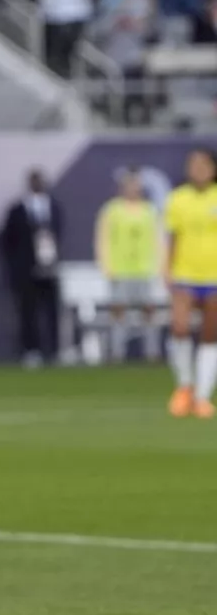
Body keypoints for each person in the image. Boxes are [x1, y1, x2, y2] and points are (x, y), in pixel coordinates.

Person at [164, 149, 217, 418]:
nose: (198, 169)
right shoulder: (178, 199)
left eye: (203, 164)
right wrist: (167, 269)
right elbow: (172, 238)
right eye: (193, 164)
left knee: (210, 335)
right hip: (185, 273)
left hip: (214, 275)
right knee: (180, 327)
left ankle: (202, 395)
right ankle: (184, 386)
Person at [95, 169, 161, 363]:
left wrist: (158, 266)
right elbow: (103, 239)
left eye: (136, 185)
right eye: (129, 185)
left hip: (144, 268)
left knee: (149, 311)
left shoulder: (150, 210)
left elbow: (158, 239)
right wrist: (106, 266)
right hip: (120, 269)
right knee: (118, 310)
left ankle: (152, 352)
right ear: (122, 188)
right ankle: (117, 353)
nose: (133, 189)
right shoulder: (111, 210)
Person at [1, 170, 63, 367]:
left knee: (52, 310)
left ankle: (54, 350)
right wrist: (17, 263)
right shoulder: (17, 209)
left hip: (49, 266)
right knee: (28, 311)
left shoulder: (53, 206)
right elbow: (7, 240)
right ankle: (31, 350)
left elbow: (59, 232)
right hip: (25, 268)